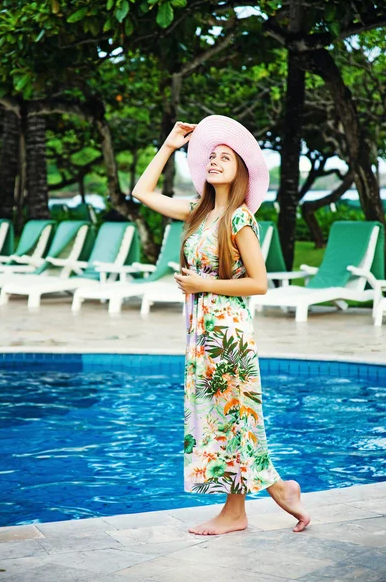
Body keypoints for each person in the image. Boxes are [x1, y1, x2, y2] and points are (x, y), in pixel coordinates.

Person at [132, 115, 311, 536]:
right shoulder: (199, 212)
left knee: (235, 418)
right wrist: (171, 145)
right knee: (222, 418)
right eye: (210, 156)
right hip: (201, 333)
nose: (213, 161)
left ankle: (243, 509)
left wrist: (202, 283)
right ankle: (279, 490)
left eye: (224, 157)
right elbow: (142, 192)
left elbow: (259, 283)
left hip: (228, 335)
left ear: (241, 169)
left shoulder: (239, 219)